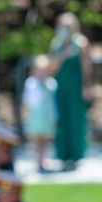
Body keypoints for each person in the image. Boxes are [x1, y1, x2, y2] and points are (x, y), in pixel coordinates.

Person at [48, 12, 92, 170]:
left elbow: (85, 66)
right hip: (61, 89)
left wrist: (86, 87)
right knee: (62, 122)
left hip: (76, 88)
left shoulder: (81, 43)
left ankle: (76, 155)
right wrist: (62, 55)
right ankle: (63, 155)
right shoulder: (56, 44)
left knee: (76, 121)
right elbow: (51, 68)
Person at [22, 54, 58, 172]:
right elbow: (30, 100)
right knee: (36, 140)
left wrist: (55, 115)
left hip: (47, 117)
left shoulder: (51, 83)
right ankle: (37, 159)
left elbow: (53, 103)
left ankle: (44, 159)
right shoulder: (32, 84)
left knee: (45, 140)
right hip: (36, 117)